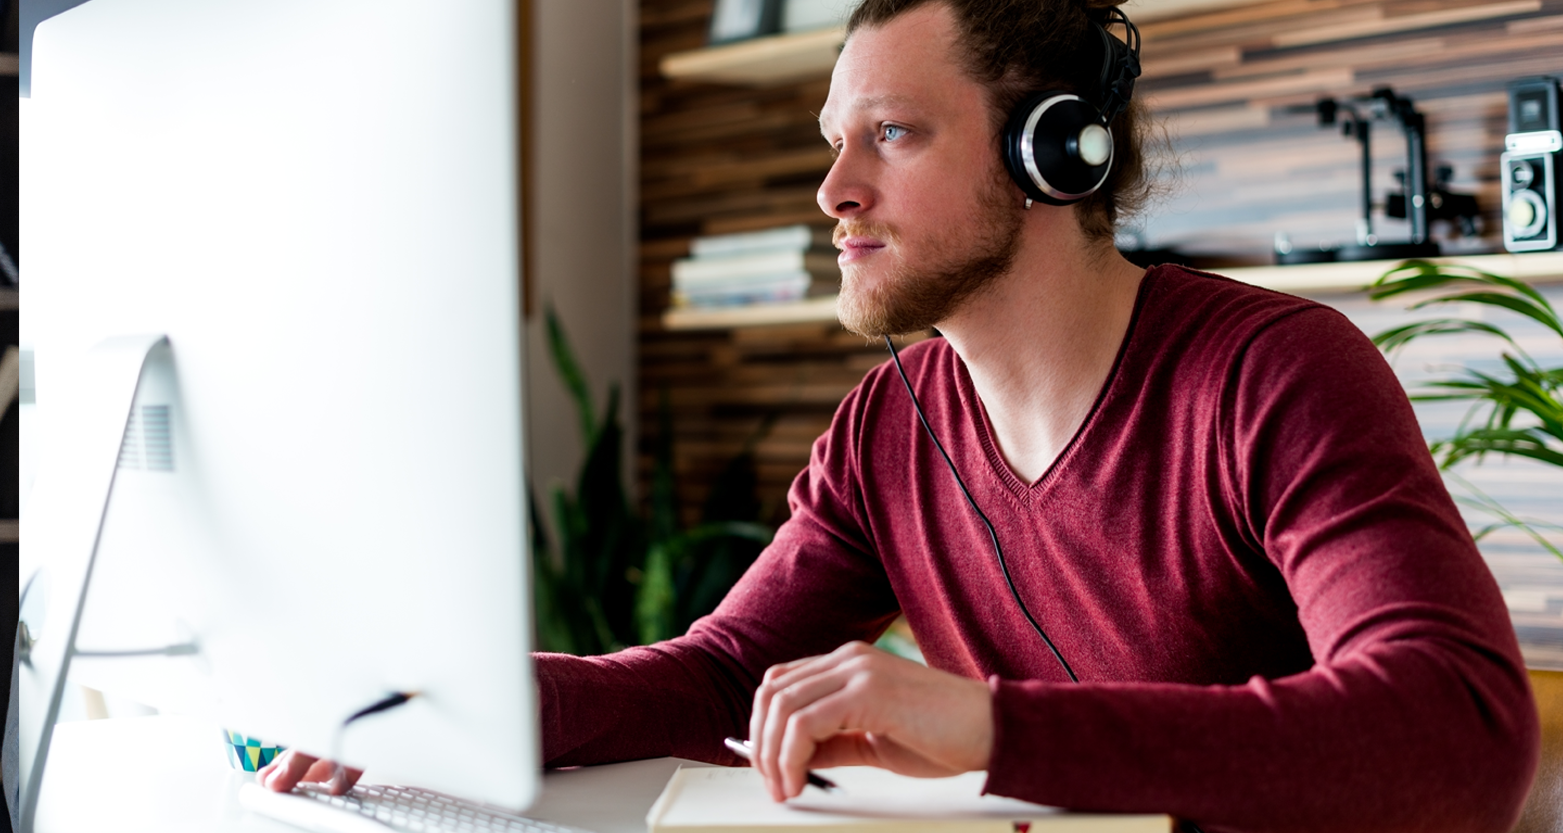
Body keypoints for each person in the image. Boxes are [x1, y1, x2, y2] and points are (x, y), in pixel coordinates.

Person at [263, 0, 1539, 829]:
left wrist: (990, 722)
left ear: (1057, 154)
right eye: (837, 139)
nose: (833, 189)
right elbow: (716, 675)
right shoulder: (887, 427)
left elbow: (1461, 729)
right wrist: (444, 700)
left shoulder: (1273, 373)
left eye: (892, 134)